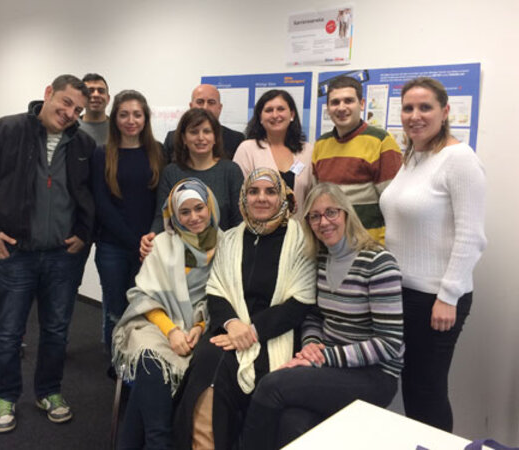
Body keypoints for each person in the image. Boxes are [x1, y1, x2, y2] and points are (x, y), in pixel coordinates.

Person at [0, 74, 95, 432]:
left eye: (78, 110)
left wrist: (84, 233)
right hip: (16, 254)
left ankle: (49, 391)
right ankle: (5, 396)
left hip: (62, 257)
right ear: (48, 94)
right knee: (9, 331)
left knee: (56, 331)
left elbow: (90, 193)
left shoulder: (82, 144)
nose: (70, 113)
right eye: (66, 103)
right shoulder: (6, 131)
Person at [242, 182, 404, 449]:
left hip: (374, 375)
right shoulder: (321, 260)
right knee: (293, 423)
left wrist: (324, 357)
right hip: (332, 367)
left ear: (346, 214)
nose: (324, 222)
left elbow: (389, 344)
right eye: (315, 216)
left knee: (271, 386)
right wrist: (311, 345)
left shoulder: (378, 263)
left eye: (331, 212)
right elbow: (314, 317)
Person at [173, 168, 316, 450]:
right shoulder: (230, 239)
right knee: (208, 364)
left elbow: (301, 302)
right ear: (244, 198)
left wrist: (251, 331)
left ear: (283, 198)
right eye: (253, 191)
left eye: (270, 192)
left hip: (276, 334)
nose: (261, 198)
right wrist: (232, 324)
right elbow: (216, 289)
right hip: (230, 329)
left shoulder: (301, 239)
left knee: (262, 380)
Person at [380, 77, 486, 432]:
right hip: (401, 292)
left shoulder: (459, 159)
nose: (415, 116)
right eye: (408, 108)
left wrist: (448, 295)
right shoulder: (413, 157)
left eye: (425, 107)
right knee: (411, 386)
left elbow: (471, 236)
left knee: (427, 390)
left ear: (445, 111)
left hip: (435, 297)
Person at [112, 178, 221, 449]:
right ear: (174, 216)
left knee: (148, 385)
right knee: (152, 361)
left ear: (210, 207)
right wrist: (171, 331)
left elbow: (220, 297)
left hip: (200, 329)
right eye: (184, 212)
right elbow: (144, 296)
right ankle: (158, 440)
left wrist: (198, 327)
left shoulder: (225, 245)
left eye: (199, 208)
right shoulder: (161, 243)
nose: (194, 217)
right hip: (154, 324)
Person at [91, 90, 164, 357]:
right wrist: (135, 242)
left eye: (137, 114)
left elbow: (162, 200)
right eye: (124, 115)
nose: (131, 121)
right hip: (113, 247)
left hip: (150, 247)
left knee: (145, 310)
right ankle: (116, 363)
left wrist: (151, 237)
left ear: (145, 118)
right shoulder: (102, 154)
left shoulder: (158, 151)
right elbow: (102, 204)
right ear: (115, 118)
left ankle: (136, 364)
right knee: (115, 309)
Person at [140, 108, 243, 259]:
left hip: (223, 255)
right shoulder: (170, 172)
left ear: (215, 137)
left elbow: (239, 221)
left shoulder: (231, 171)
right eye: (194, 132)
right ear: (183, 138)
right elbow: (162, 217)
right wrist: (151, 239)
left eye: (207, 132)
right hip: (181, 257)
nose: (201, 138)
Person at [312, 76, 402, 243]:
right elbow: (318, 199)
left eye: (348, 101)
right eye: (335, 102)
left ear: (361, 104)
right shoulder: (321, 144)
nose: (341, 107)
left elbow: (395, 205)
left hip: (369, 244)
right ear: (328, 108)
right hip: (332, 246)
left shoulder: (381, 141)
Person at [233, 89, 313, 220]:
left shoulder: (307, 151)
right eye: (269, 110)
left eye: (281, 109)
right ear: (260, 117)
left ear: (292, 114)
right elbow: (240, 197)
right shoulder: (247, 149)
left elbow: (312, 197)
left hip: (299, 229)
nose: (275, 115)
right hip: (259, 229)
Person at [163, 84, 244, 162]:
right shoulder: (172, 138)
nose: (205, 107)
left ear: (219, 108)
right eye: (200, 102)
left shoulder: (236, 140)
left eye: (211, 102)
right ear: (191, 106)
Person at [78, 73, 111, 146]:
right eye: (90, 91)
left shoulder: (118, 128)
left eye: (101, 91)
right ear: (81, 98)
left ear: (108, 99)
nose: (96, 95)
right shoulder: (70, 128)